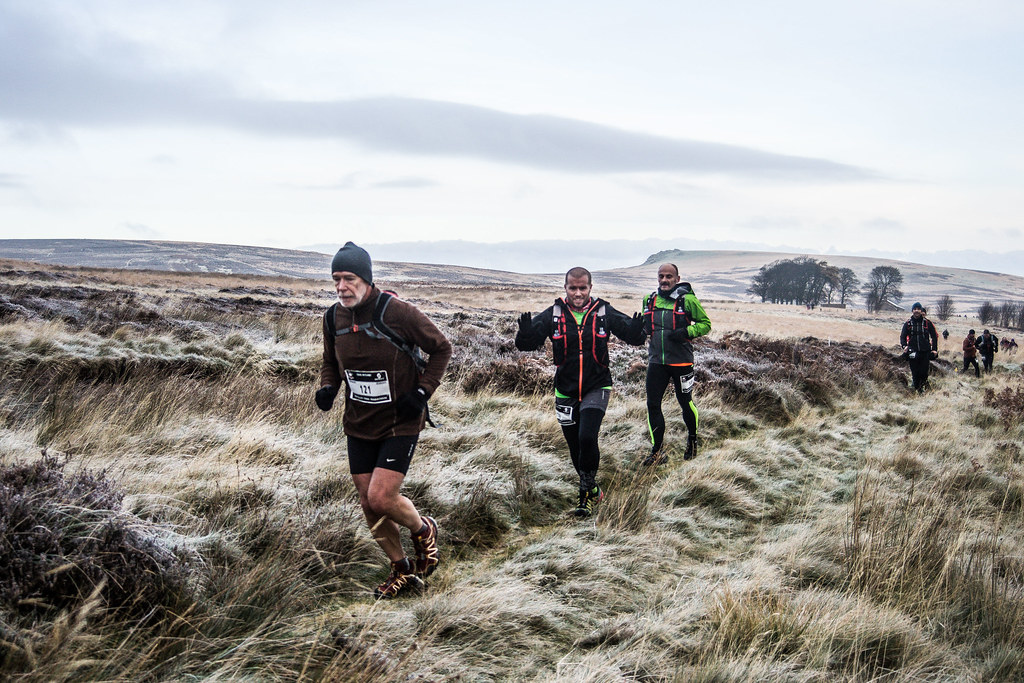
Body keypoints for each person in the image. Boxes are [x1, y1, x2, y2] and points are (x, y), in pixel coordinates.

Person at [317, 242, 452, 599]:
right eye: (336, 279)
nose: (341, 287)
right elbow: (330, 361)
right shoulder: (333, 318)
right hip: (358, 422)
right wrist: (328, 387)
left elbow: (442, 348)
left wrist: (422, 393)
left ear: (367, 279)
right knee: (366, 502)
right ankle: (402, 568)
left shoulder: (399, 313)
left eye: (349, 278)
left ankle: (423, 529)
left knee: (381, 496)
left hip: (400, 420)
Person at [515, 267, 645, 517]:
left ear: (590, 288)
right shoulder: (554, 313)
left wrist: (638, 329)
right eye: (572, 288)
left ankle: (585, 495)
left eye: (582, 288)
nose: (577, 293)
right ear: (565, 288)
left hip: (598, 386)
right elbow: (525, 345)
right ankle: (594, 489)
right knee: (574, 446)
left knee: (587, 437)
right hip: (565, 390)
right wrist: (525, 333)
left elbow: (633, 337)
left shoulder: (603, 311)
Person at [640, 263, 712, 466]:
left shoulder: (687, 300)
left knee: (685, 402)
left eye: (669, 276)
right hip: (656, 361)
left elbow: (706, 324)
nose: (664, 280)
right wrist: (638, 331)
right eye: (661, 276)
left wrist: (687, 332)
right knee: (652, 405)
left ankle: (692, 439)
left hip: (681, 361)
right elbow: (647, 328)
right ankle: (657, 452)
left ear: (677, 279)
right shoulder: (649, 300)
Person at [899, 302, 938, 393]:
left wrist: (934, 349)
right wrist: (904, 346)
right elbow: (902, 336)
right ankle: (918, 390)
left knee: (924, 373)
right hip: (913, 351)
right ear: (912, 311)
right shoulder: (908, 323)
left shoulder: (928, 323)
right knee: (915, 373)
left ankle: (922, 387)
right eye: (915, 309)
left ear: (921, 311)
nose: (916, 311)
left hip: (925, 352)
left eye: (918, 309)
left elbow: (934, 336)